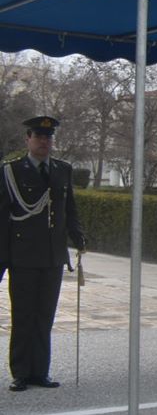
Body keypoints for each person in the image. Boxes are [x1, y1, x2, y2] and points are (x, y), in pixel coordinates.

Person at [3, 116, 86, 392]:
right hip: (23, 255)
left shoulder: (62, 169)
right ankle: (21, 372)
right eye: (39, 137)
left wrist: (77, 234)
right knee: (23, 314)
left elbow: (68, 208)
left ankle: (41, 370)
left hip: (52, 256)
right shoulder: (11, 172)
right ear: (28, 139)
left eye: (49, 138)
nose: (44, 142)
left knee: (45, 315)